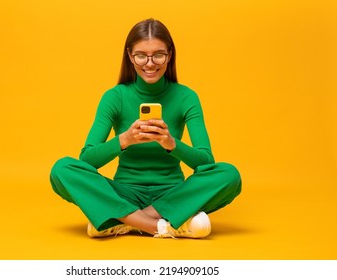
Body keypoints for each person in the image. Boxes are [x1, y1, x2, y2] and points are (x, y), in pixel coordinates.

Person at [50, 18, 241, 238]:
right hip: (123, 194)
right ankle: (163, 225)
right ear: (130, 56)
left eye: (158, 54)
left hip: (172, 193)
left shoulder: (186, 97)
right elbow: (86, 161)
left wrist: (171, 144)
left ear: (169, 55)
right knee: (61, 169)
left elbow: (206, 163)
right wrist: (124, 140)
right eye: (141, 55)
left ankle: (122, 220)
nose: (149, 63)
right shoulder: (115, 97)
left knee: (229, 174)